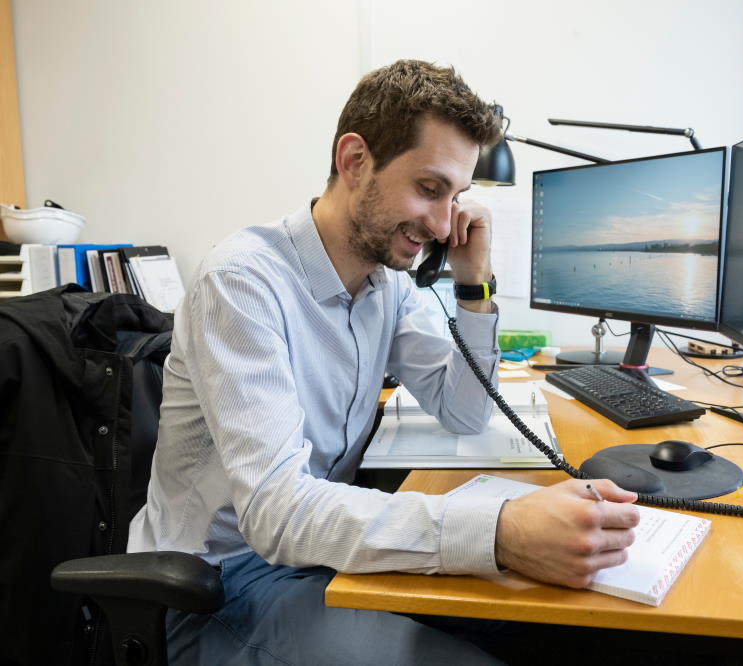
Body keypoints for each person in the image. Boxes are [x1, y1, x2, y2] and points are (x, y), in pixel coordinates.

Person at [128, 59, 640, 665]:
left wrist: (473, 285)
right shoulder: (241, 283)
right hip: (220, 589)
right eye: (429, 189)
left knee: (565, 633)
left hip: (320, 558)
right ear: (354, 162)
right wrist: (502, 530)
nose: (446, 223)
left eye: (456, 197)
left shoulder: (387, 285)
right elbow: (278, 513)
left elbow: (465, 411)